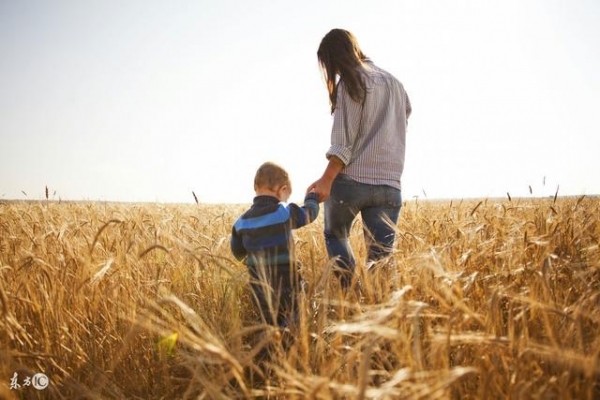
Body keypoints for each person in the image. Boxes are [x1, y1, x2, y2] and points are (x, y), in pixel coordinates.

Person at [307, 29, 412, 289]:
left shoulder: (351, 82)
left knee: (335, 233)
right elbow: (406, 113)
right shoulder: (395, 83)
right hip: (389, 184)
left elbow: (343, 143)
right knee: (382, 259)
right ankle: (376, 309)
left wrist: (326, 180)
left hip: (352, 181)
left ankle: (352, 293)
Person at [231, 161, 319, 329]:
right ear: (282, 190)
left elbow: (237, 252)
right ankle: (292, 346)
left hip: (259, 286)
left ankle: (270, 348)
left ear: (255, 187)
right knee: (296, 316)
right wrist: (312, 199)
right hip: (288, 282)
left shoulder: (241, 222)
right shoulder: (283, 212)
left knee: (269, 323)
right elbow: (309, 214)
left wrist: (254, 263)